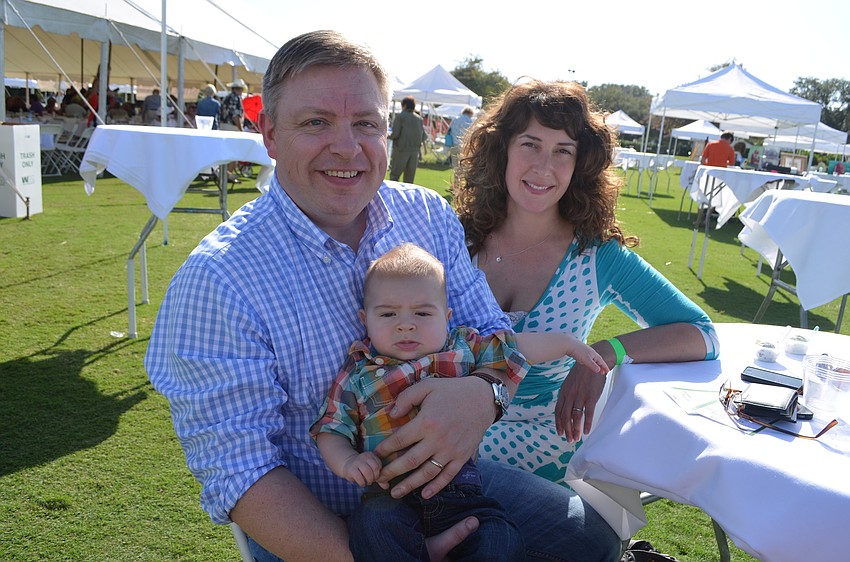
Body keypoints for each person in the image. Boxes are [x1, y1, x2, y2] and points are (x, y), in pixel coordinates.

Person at [144, 30, 621, 562]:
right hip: (328, 520)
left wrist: (484, 398)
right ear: (270, 134)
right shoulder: (219, 279)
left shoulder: (426, 214)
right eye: (316, 122)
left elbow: (492, 334)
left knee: (590, 540)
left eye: (365, 124)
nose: (347, 147)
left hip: (444, 484)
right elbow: (243, 473)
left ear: (387, 131)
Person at [453, 79, 720, 486]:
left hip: (539, 451)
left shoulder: (597, 257)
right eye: (530, 144)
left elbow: (702, 335)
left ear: (581, 165)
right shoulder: (454, 239)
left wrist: (605, 352)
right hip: (448, 430)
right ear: (502, 148)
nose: (544, 167)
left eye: (563, 151)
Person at [312, 242, 607, 561]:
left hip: (461, 496)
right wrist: (348, 462)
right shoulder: (358, 371)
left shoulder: (461, 348)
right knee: (370, 528)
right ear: (364, 319)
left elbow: (514, 347)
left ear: (446, 316)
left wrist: (566, 344)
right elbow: (331, 429)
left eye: (422, 312)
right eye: (388, 313)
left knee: (499, 536)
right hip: (389, 497)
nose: (406, 324)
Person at [388, 95, 426, 183]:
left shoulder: (400, 117)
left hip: (401, 150)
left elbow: (395, 134)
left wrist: (388, 135)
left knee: (394, 176)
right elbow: (423, 136)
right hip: (414, 152)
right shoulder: (419, 119)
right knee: (409, 180)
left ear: (404, 105)